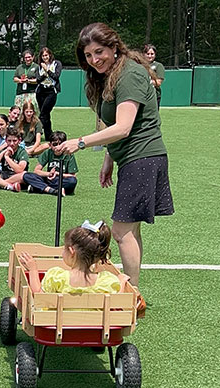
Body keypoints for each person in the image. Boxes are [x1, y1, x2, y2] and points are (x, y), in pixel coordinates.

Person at [56, 22, 174, 287]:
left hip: (143, 157)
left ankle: (130, 292)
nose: (94, 60)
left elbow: (123, 127)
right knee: (131, 230)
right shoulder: (111, 75)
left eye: (99, 52)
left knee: (121, 232)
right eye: (88, 55)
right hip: (134, 158)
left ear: (114, 47)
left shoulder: (129, 73)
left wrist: (80, 142)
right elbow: (115, 126)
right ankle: (133, 291)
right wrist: (109, 158)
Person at [19, 221, 129, 294]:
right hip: (95, 327)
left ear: (72, 251)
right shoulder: (106, 280)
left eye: (64, 248)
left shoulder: (56, 277)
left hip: (59, 326)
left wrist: (33, 269)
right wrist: (122, 282)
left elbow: (38, 295)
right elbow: (116, 301)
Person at [21, 130, 78, 196]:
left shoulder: (69, 155)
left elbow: (73, 176)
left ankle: (41, 188)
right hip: (49, 179)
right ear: (50, 145)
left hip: (62, 180)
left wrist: (57, 174)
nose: (58, 147)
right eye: (55, 144)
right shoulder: (48, 152)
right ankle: (53, 190)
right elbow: (36, 171)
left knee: (72, 181)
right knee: (27, 175)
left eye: (60, 144)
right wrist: (48, 174)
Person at [36, 47, 62, 140]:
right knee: (46, 115)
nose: (44, 57)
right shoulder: (39, 66)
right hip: (41, 91)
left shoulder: (56, 64)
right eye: (43, 56)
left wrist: (47, 70)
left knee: (43, 113)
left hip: (51, 91)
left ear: (50, 55)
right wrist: (44, 74)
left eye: (46, 55)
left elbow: (56, 76)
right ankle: (49, 135)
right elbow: (38, 80)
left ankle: (34, 129)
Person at [144, 44, 165, 109]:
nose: (150, 56)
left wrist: (145, 81)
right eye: (148, 54)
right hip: (142, 95)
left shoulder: (158, 66)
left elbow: (158, 82)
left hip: (154, 95)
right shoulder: (139, 65)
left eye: (152, 54)